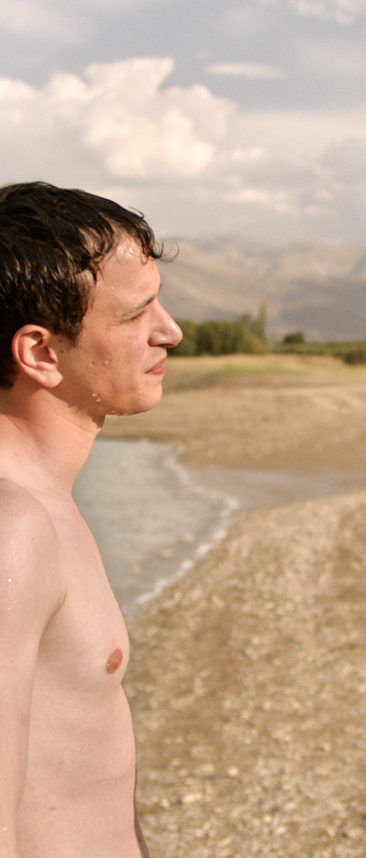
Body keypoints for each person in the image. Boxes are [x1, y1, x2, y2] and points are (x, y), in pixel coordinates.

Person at [0, 181, 182, 856]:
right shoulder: (13, 530)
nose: (171, 331)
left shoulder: (44, 504)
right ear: (41, 353)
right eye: (137, 314)